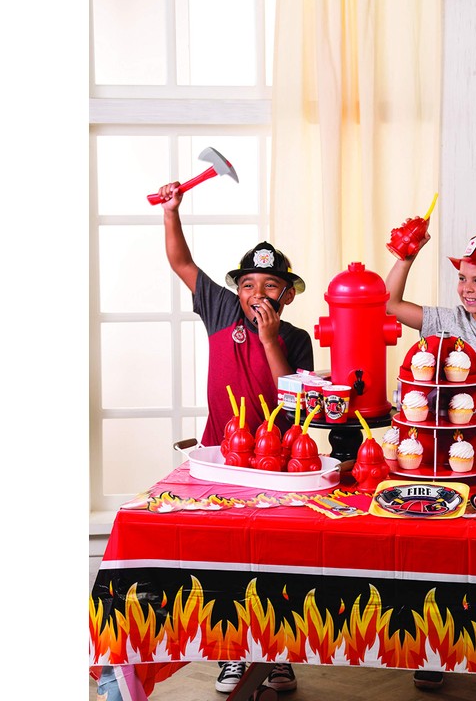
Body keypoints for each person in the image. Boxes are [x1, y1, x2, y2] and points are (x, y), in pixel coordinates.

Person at [159, 180, 311, 695]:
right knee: (225, 556)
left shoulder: (296, 339)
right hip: (221, 457)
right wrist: (171, 211)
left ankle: (278, 655)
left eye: (270, 286)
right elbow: (182, 262)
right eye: (248, 285)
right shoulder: (222, 311)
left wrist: (269, 339)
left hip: (277, 461)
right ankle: (234, 652)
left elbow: (292, 401)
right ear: (237, 291)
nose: (257, 294)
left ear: (287, 294)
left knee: (276, 558)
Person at [386, 231, 476, 691]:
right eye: (463, 278)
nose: (468, 289)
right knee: (430, 557)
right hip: (429, 452)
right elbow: (390, 304)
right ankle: (432, 649)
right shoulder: (445, 319)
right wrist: (406, 257)